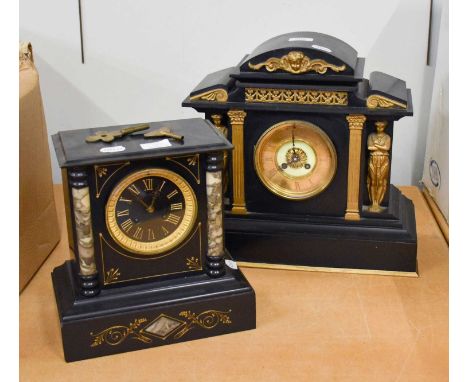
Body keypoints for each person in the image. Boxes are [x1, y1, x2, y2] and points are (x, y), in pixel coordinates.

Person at [367, 121, 391, 212]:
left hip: (383, 160)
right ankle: (374, 202)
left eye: (381, 127)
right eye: (377, 127)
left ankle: (378, 201)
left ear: (384, 127)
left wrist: (376, 145)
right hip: (373, 158)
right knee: (373, 181)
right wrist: (381, 147)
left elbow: (387, 148)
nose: (379, 129)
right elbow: (369, 147)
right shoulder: (371, 136)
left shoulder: (387, 137)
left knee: (381, 181)